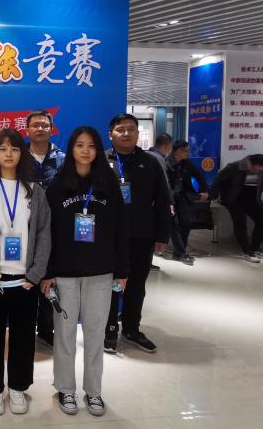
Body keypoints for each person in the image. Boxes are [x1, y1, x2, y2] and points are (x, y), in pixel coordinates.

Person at [42, 126, 129, 417]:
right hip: (65, 273)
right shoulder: (57, 185)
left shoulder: (108, 183)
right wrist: (48, 271)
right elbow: (47, 231)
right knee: (65, 334)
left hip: (100, 272)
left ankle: (94, 391)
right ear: (71, 148)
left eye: (91, 146)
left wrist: (122, 270)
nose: (85, 151)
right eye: (79, 145)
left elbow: (121, 229)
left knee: (94, 334)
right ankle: (65, 388)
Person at [0, 128, 51, 416]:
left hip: (25, 281)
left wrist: (36, 273)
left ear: (22, 154)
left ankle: (18, 387)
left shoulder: (35, 191)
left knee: (23, 337)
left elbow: (44, 233)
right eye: (3, 148)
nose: (8, 153)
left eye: (14, 148)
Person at [103, 114, 171, 355]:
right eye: (120, 129)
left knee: (136, 284)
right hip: (108, 238)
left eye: (131, 129)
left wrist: (162, 235)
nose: (126, 133)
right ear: (110, 134)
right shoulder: (100, 160)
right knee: (109, 284)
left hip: (142, 235)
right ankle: (109, 329)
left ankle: (131, 328)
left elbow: (163, 199)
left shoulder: (150, 162)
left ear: (137, 133)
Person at [26, 109, 65, 349]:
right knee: (28, 276)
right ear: (27, 129)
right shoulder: (18, 157)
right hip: (24, 226)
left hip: (55, 226)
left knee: (52, 278)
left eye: (44, 125)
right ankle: (26, 326)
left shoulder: (63, 159)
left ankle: (46, 327)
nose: (40, 129)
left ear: (52, 129)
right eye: (35, 125)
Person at [210, 154, 263, 263]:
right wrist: (214, 196)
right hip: (234, 198)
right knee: (240, 222)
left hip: (252, 198)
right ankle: (247, 251)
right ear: (249, 163)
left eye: (260, 169)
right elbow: (218, 180)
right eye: (254, 169)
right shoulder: (234, 167)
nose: (256, 171)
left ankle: (255, 249)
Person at [168, 141, 208, 265]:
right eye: (186, 151)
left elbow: (199, 175)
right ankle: (182, 253)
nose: (188, 153)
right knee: (174, 225)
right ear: (178, 151)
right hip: (169, 198)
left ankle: (179, 252)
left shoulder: (186, 163)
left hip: (182, 196)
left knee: (186, 223)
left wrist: (204, 190)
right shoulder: (166, 163)